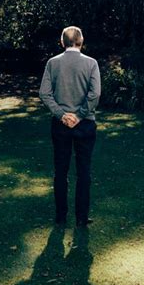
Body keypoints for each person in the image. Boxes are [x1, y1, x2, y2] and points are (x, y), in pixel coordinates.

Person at [39, 26, 101, 226]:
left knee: (61, 171)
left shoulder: (52, 63)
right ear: (81, 42)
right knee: (84, 172)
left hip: (60, 125)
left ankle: (60, 217)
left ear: (62, 42)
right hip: (85, 125)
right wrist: (80, 115)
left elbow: (44, 93)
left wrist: (61, 114)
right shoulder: (91, 63)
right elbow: (95, 94)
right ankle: (81, 218)